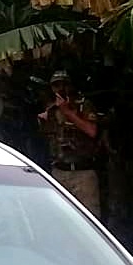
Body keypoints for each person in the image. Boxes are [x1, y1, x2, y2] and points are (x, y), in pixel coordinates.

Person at [37, 70, 102, 218]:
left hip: (83, 172)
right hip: (60, 171)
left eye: (64, 84)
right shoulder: (51, 109)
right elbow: (47, 136)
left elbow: (92, 131)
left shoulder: (83, 105)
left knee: (89, 219)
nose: (60, 89)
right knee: (60, 218)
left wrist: (68, 113)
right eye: (56, 86)